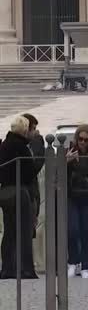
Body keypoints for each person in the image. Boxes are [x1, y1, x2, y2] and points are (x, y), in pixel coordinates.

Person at [0, 115, 42, 279]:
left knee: (9, 231)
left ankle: (7, 268)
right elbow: (30, 172)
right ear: (25, 130)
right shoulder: (21, 146)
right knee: (24, 230)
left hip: (5, 192)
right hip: (19, 191)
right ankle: (25, 269)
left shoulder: (5, 145)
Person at [65, 124, 88, 279]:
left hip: (87, 197)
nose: (83, 142)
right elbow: (59, 176)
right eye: (80, 139)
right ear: (76, 139)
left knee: (87, 231)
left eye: (86, 140)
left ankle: (86, 265)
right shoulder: (69, 153)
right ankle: (73, 262)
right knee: (72, 230)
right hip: (71, 197)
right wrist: (66, 162)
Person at [21, 114, 43, 241]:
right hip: (27, 194)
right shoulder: (23, 146)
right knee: (25, 233)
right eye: (33, 128)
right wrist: (38, 139)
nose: (35, 131)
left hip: (30, 193)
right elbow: (35, 166)